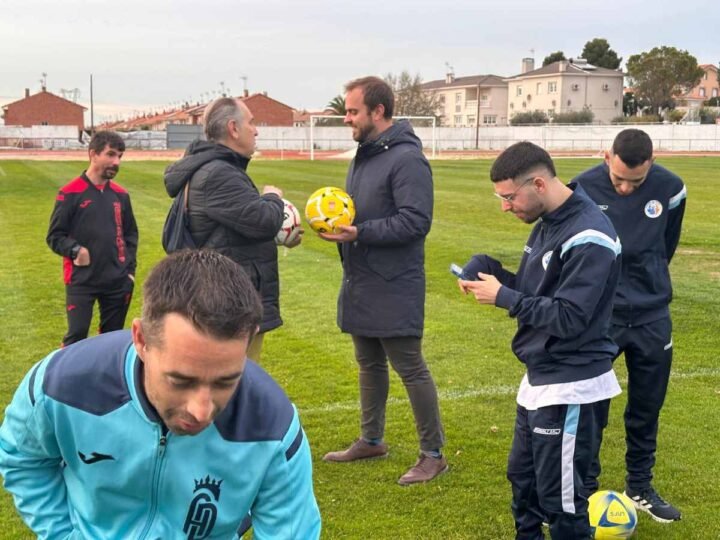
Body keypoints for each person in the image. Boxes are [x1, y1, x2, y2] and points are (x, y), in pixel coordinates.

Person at [0, 250, 321, 539]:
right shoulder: (63, 384)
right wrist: (63, 534)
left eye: (226, 381)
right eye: (180, 380)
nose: (200, 410)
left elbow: (291, 531)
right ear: (141, 339)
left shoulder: (272, 426)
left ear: (249, 340)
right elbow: (22, 459)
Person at [457, 142, 622, 539]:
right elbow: (539, 294)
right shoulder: (548, 223)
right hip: (539, 379)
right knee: (523, 481)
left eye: (509, 197)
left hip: (572, 385)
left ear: (538, 183)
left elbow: (569, 317)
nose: (505, 206)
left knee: (561, 503)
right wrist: (493, 272)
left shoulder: (590, 236)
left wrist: (504, 296)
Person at [320, 76, 446, 486]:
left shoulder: (407, 158)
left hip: (394, 282)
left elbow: (416, 221)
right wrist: (343, 227)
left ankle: (433, 454)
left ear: (378, 112)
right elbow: (361, 211)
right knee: (368, 364)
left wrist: (361, 232)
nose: (347, 118)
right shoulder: (365, 153)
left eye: (353, 111)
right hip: (361, 277)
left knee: (410, 368)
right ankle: (371, 439)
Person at [573, 129, 686, 523]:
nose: (624, 188)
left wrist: (647, 283)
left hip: (653, 315)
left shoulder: (671, 188)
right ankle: (585, 491)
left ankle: (639, 486)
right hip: (602, 316)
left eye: (634, 182)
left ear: (651, 164)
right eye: (619, 178)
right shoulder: (582, 186)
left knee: (646, 407)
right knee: (592, 408)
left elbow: (665, 246)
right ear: (607, 156)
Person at [164, 97, 301, 362]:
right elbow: (262, 220)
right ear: (233, 128)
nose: (257, 130)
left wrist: (282, 236)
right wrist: (272, 197)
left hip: (226, 298)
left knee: (234, 382)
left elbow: (235, 230)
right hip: (230, 303)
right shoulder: (218, 173)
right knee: (233, 383)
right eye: (251, 123)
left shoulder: (215, 168)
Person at [46, 130, 138, 347]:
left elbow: (131, 235)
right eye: (111, 154)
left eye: (120, 156)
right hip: (82, 280)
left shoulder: (121, 195)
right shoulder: (70, 193)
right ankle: (63, 379)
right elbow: (54, 236)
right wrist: (75, 250)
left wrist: (129, 272)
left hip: (117, 280)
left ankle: (104, 379)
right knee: (76, 337)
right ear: (93, 154)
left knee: (111, 339)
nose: (116, 162)